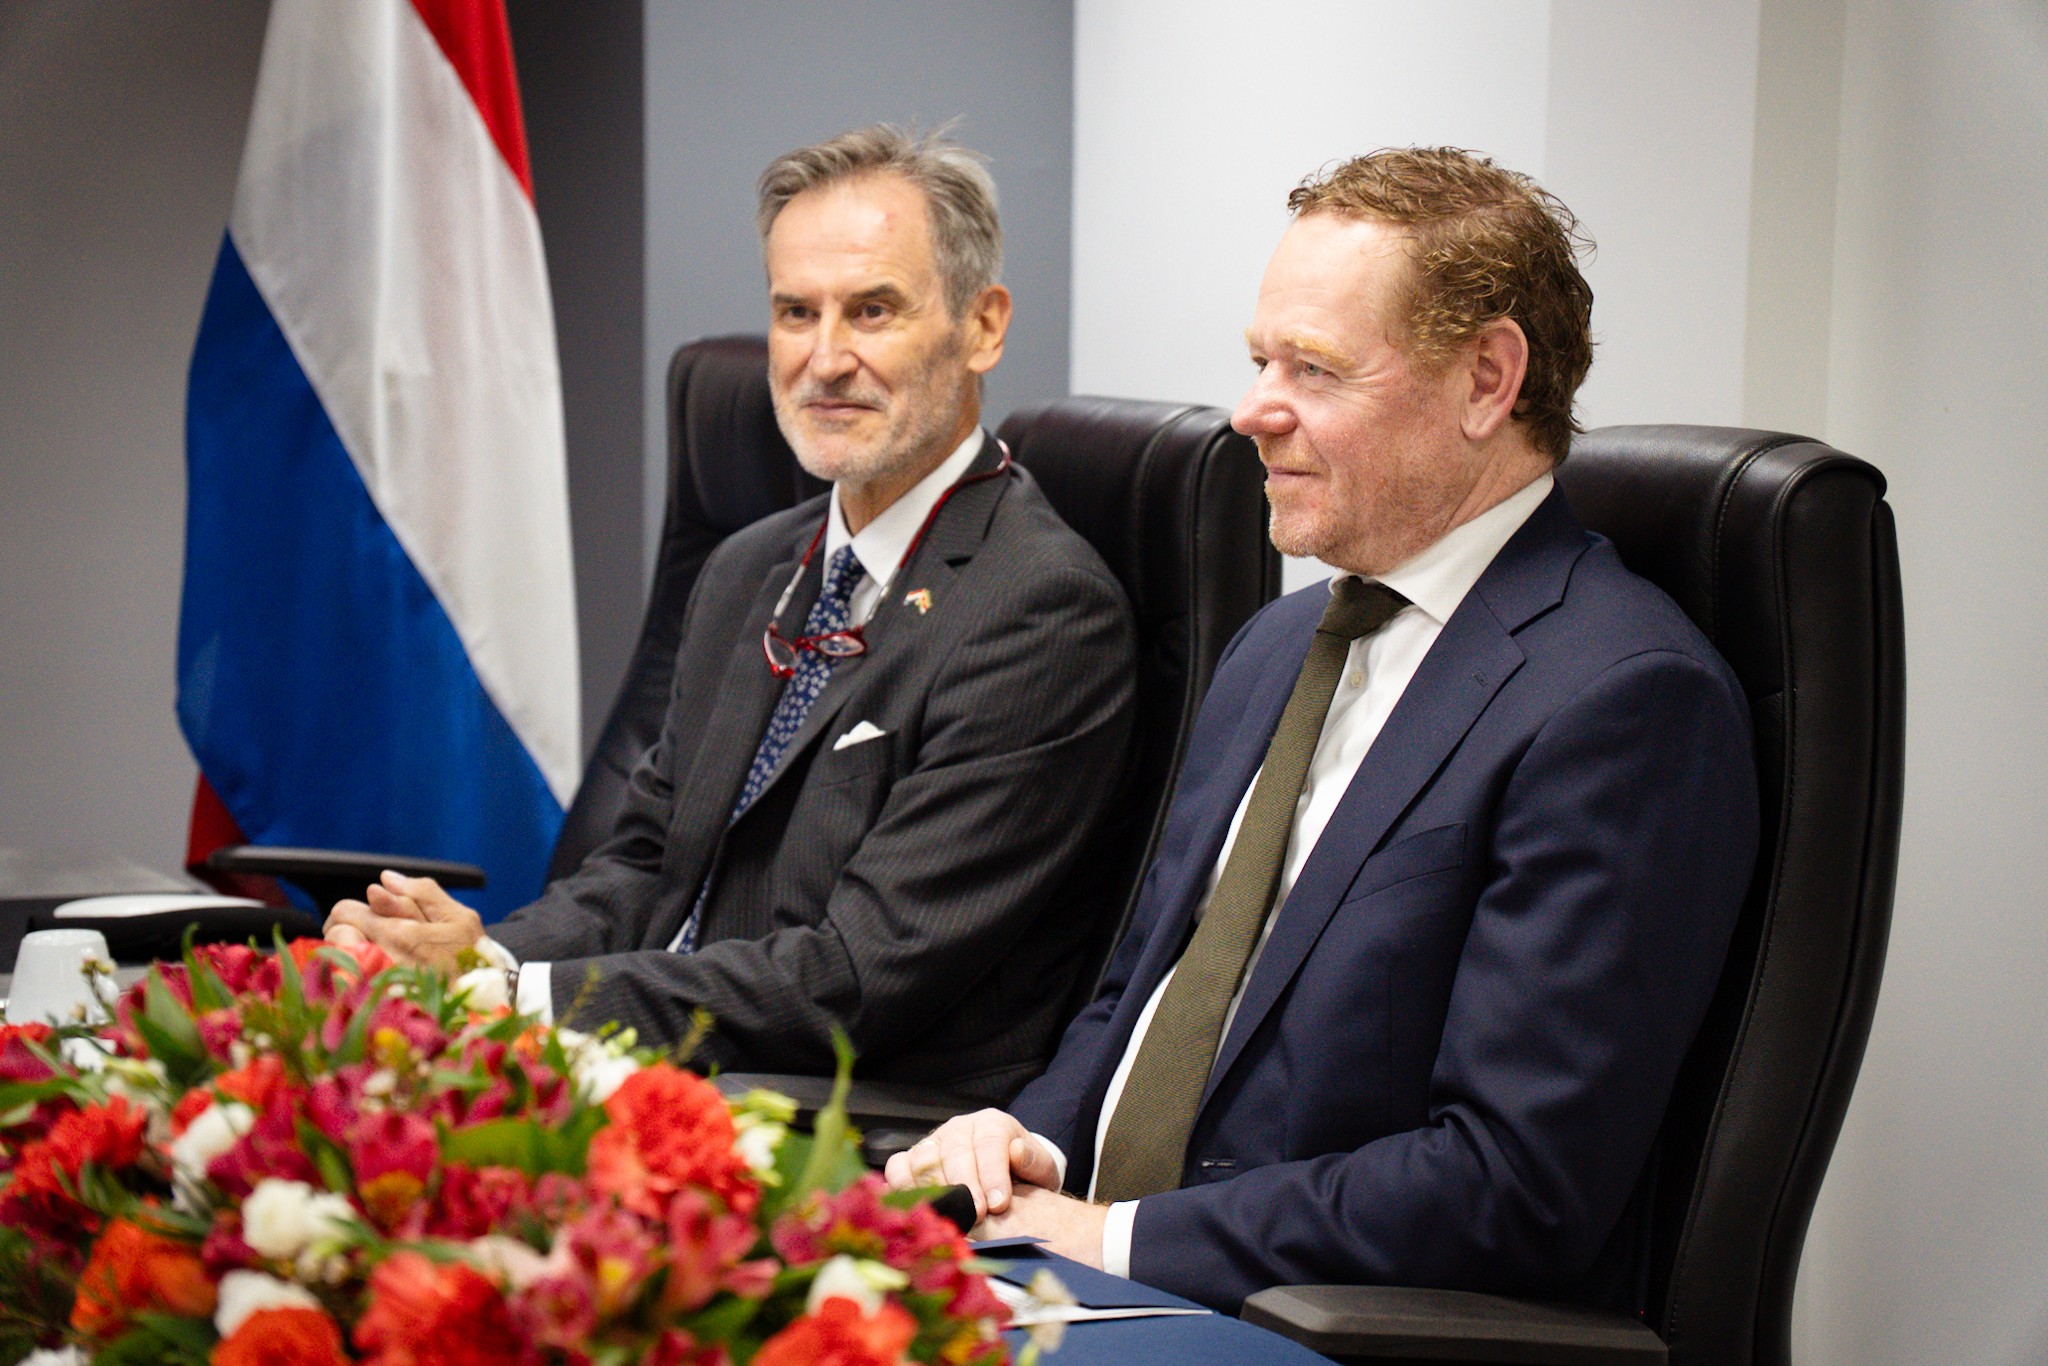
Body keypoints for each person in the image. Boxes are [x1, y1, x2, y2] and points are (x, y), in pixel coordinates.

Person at [884, 147, 1759, 1312]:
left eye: (1313, 368)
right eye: (1259, 360)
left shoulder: (1621, 700)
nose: (1251, 410)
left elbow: (1510, 1185)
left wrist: (1111, 1237)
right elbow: (1139, 1001)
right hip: (1090, 1275)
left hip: (1299, 1323)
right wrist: (1023, 1143)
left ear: (1486, 380)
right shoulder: (1276, 645)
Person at [326, 126, 1137, 1104]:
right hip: (655, 1060)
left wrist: (505, 996)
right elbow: (645, 866)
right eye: (796, 312)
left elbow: (854, 975)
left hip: (845, 1120)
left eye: (872, 310)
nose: (824, 359)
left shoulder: (1040, 611)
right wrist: (469, 958)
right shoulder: (748, 568)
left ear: (982, 327)